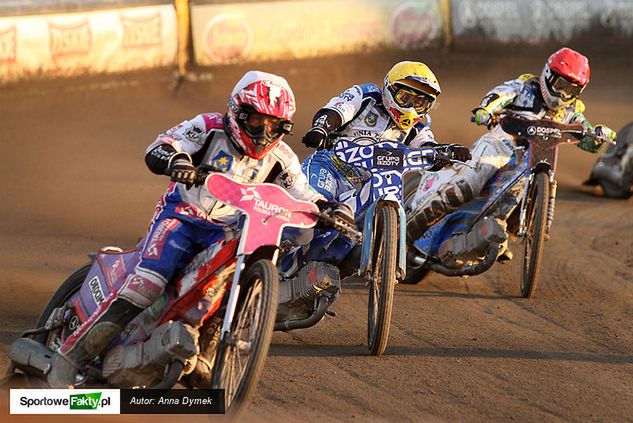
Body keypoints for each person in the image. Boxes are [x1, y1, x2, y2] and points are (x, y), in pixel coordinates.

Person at [47, 70, 324, 387]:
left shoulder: (282, 158)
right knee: (147, 284)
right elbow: (162, 146)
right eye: (257, 122)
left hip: (229, 233)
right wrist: (177, 161)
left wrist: (329, 208)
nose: (264, 132)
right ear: (238, 112)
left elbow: (303, 192)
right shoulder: (207, 127)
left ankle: (205, 352)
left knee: (233, 280)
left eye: (275, 126)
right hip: (182, 218)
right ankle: (69, 358)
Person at [407, 47, 617, 245]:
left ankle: (498, 228)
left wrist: (599, 135)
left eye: (571, 90)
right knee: (469, 184)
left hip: (536, 157)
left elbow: (587, 136)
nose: (563, 95)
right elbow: (499, 95)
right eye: (560, 86)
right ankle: (408, 233)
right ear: (548, 76)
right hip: (502, 142)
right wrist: (486, 109)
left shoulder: (571, 112)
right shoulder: (524, 88)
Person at [281, 61, 471, 276]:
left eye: (419, 103)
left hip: (367, 182)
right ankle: (276, 248)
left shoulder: (418, 124)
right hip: (330, 167)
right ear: (389, 89)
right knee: (314, 212)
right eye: (405, 98)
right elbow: (334, 111)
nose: (410, 107)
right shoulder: (366, 95)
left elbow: (426, 146)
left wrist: (446, 152)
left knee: (348, 236)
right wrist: (320, 129)